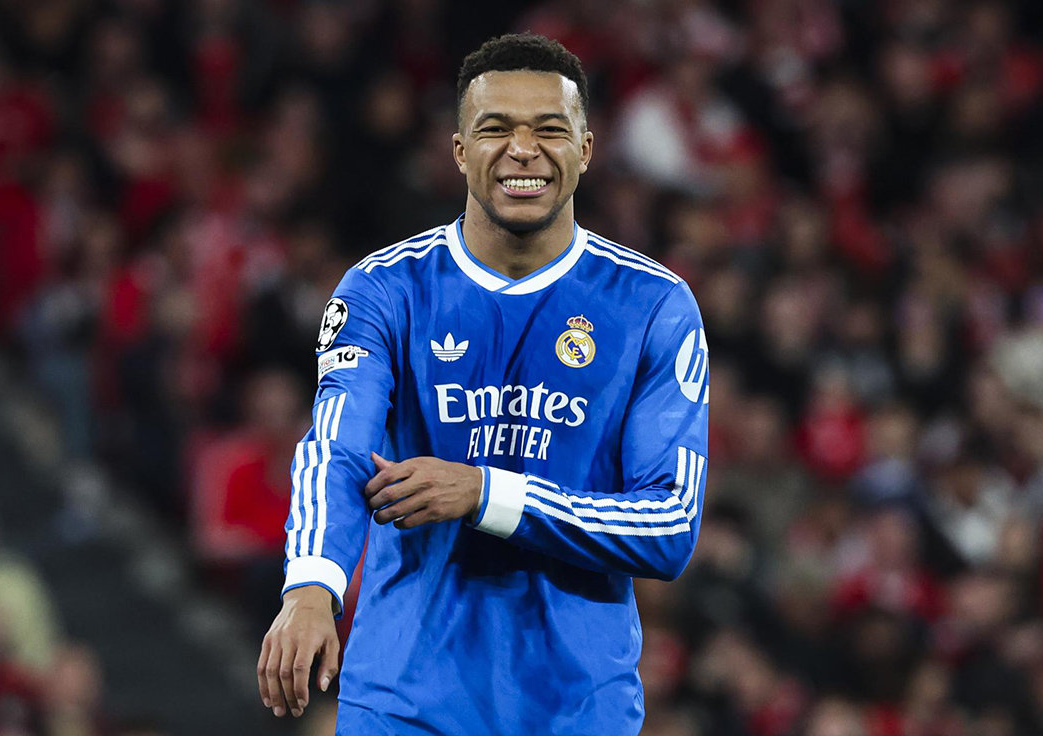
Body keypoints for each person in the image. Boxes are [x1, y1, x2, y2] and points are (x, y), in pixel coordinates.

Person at [257, 33, 710, 735]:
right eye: (495, 129)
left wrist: (486, 492)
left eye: (550, 129)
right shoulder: (385, 289)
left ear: (585, 151)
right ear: (461, 151)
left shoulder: (653, 304)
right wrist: (312, 585)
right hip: (403, 697)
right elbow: (335, 448)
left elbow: (671, 524)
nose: (522, 149)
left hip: (574, 707)